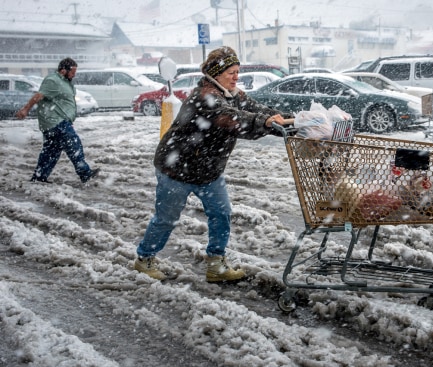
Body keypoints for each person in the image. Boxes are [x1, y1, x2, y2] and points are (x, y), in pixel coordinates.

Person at [134, 46, 293, 282]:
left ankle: (216, 265)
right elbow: (235, 120)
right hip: (177, 169)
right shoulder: (205, 98)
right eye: (231, 72)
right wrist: (265, 123)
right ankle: (144, 258)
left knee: (221, 213)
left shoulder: (232, 93)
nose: (236, 77)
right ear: (216, 74)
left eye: (238, 71)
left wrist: (286, 121)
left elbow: (255, 109)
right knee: (166, 218)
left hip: (208, 170)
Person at [15, 57, 99, 184]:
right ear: (63, 70)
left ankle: (39, 178)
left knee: (51, 151)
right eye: (72, 72)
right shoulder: (53, 81)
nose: (74, 75)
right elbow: (38, 96)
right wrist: (25, 109)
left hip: (56, 122)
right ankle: (85, 173)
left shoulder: (66, 81)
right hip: (56, 122)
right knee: (73, 144)